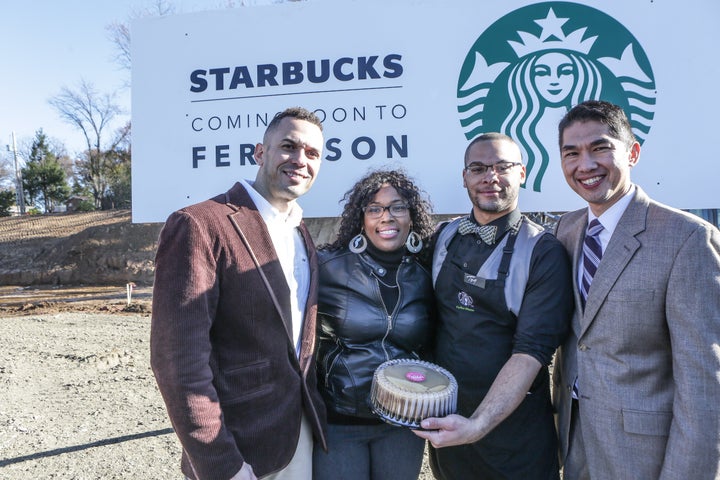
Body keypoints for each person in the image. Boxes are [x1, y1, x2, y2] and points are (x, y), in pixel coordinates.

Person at [150, 107, 328, 480]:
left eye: (312, 153)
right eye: (289, 146)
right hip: (238, 450)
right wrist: (220, 464)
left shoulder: (301, 233)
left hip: (298, 438)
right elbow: (178, 361)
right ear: (260, 153)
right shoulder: (199, 224)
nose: (300, 160)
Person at [552, 100, 720, 479]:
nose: (586, 165)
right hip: (576, 448)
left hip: (646, 457)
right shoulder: (567, 230)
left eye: (600, 148)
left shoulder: (688, 238)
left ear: (632, 152)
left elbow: (704, 386)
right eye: (572, 153)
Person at [414, 133, 573, 479]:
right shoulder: (443, 236)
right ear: (465, 177)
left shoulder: (543, 251)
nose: (490, 177)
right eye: (479, 168)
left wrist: (478, 424)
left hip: (515, 438)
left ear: (523, 173)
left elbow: (531, 352)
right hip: (450, 428)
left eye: (503, 166)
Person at [312, 169, 436, 480]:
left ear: (411, 217)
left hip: (403, 423)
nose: (386, 217)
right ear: (361, 218)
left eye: (397, 207)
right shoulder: (328, 267)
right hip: (340, 422)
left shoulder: (427, 272)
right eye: (375, 209)